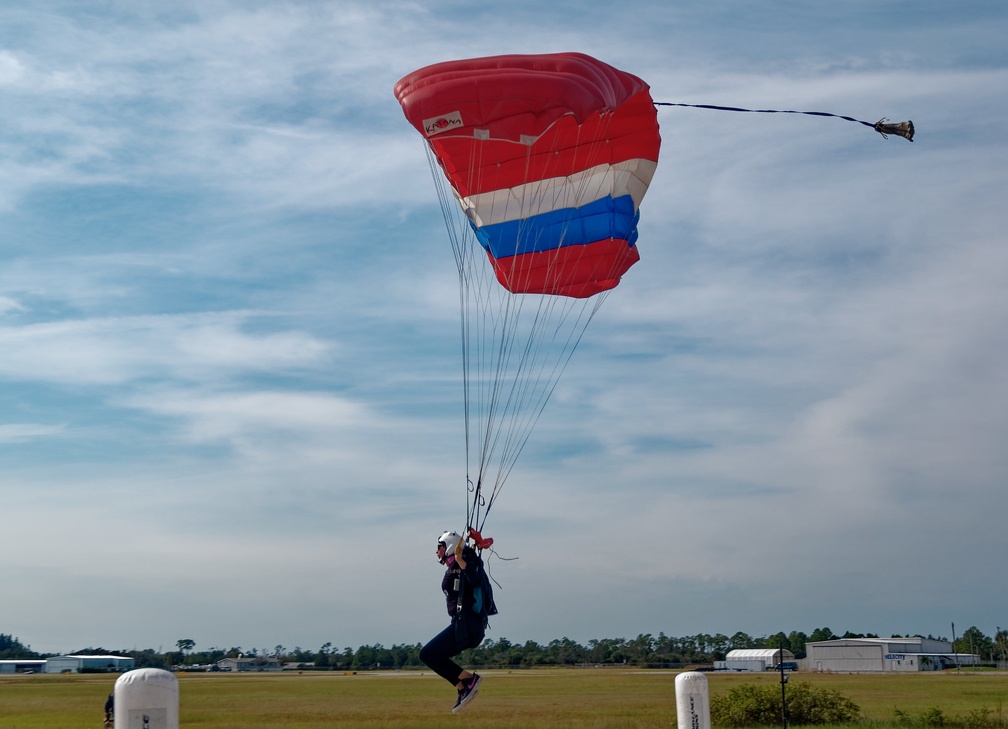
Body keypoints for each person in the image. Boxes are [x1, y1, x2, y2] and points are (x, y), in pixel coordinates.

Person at [419, 529, 487, 713]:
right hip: (463, 626)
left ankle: (467, 680)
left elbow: (476, 579)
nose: (437, 552)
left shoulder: (464, 563)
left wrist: (462, 559)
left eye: (439, 547)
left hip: (467, 626)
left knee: (427, 654)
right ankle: (462, 686)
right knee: (430, 654)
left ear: (448, 547)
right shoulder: (455, 566)